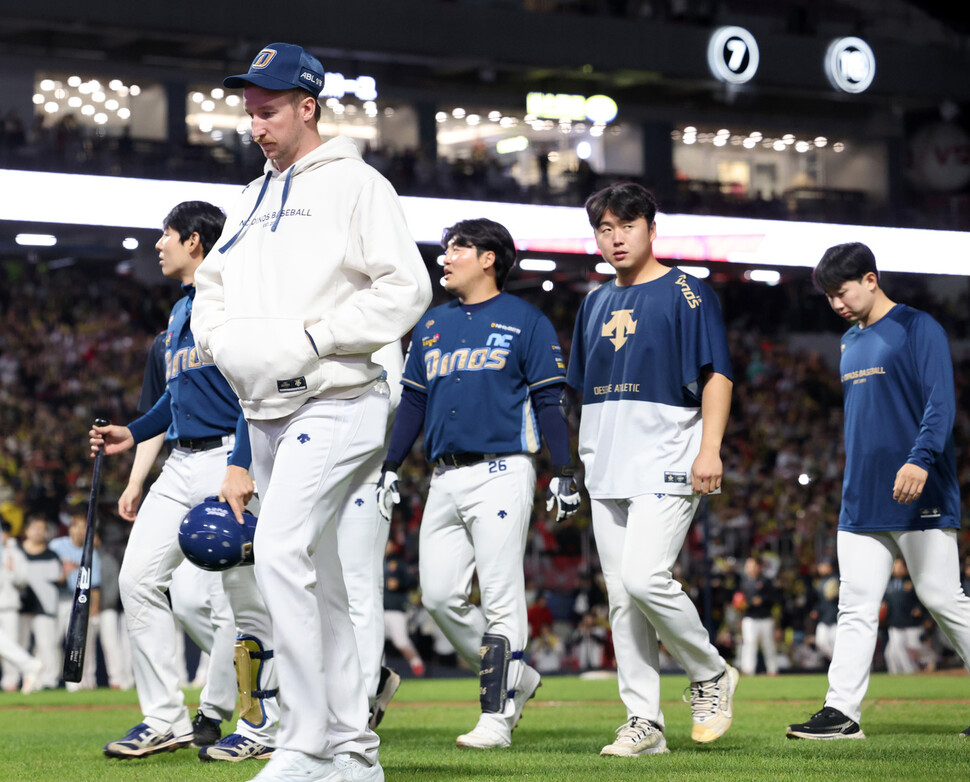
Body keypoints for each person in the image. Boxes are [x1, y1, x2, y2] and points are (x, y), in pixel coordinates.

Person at [191, 41, 433, 782]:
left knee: (281, 553)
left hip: (339, 398)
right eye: (249, 113)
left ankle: (300, 742)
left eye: (267, 112)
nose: (255, 126)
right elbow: (211, 286)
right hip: (264, 408)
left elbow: (406, 289)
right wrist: (227, 345)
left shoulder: (357, 185)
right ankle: (354, 753)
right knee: (321, 581)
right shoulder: (251, 195)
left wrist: (310, 339)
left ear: (307, 105)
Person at [376, 217, 579, 749]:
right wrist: (391, 465)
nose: (445, 257)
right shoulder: (432, 323)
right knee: (440, 598)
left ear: (489, 258)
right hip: (444, 476)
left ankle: (497, 716)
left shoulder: (525, 320)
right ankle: (518, 678)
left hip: (502, 469)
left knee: (501, 593)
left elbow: (549, 398)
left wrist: (564, 469)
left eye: (456, 248)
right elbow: (415, 400)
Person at [565, 182, 738, 757]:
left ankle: (710, 672)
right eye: (604, 229)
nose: (615, 238)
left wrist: (709, 448)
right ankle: (645, 722)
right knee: (621, 599)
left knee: (644, 579)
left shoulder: (688, 291)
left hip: (667, 458)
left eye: (626, 226)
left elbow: (716, 373)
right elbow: (582, 391)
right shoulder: (592, 301)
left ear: (651, 228)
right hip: (605, 463)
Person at [785, 241, 970, 740]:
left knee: (942, 599)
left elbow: (940, 403)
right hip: (861, 496)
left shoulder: (918, 327)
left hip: (919, 487)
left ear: (871, 279)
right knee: (855, 605)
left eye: (841, 292)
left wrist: (920, 459)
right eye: (827, 297)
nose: (836, 303)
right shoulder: (849, 341)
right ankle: (841, 714)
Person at [89, 201, 251, 758]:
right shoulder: (181, 310)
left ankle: (240, 712)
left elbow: (255, 393)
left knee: (236, 599)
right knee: (136, 580)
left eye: (167, 235)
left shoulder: (236, 300)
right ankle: (165, 718)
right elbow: (173, 395)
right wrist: (131, 434)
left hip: (229, 458)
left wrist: (244, 463)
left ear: (196, 243)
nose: (159, 244)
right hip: (181, 463)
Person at [49, 509, 102, 690]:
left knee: (80, 643)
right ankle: (49, 678)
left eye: (84, 528)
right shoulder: (56, 545)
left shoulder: (91, 551)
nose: (80, 531)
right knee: (51, 641)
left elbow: (94, 586)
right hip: (57, 600)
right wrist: (62, 572)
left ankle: (81, 683)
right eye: (77, 527)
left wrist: (94, 610)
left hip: (80, 602)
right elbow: (47, 574)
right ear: (70, 528)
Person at [18, 515, 63, 689]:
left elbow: (60, 580)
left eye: (42, 528)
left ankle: (48, 682)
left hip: (45, 608)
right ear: (26, 530)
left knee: (47, 645)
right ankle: (18, 682)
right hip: (20, 608)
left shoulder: (52, 555)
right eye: (35, 527)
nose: (38, 532)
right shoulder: (16, 553)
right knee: (20, 645)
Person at [0, 520, 43, 693]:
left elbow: (23, 579)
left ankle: (14, 680)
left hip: (9, 606)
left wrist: (10, 572)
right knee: (5, 644)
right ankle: (28, 666)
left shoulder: (15, 553)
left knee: (9, 642)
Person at [736, 555, 779, 676]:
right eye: (748, 565)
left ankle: (773, 670)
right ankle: (748, 670)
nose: (750, 568)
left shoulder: (766, 581)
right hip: (749, 618)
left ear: (759, 567)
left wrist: (763, 600)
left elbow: (775, 599)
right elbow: (739, 600)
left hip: (765, 617)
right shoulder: (743, 581)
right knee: (749, 644)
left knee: (768, 645)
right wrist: (743, 604)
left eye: (752, 565)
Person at [809, 558, 839, 662]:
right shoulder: (820, 582)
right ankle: (837, 662)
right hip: (823, 618)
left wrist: (837, 592)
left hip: (836, 618)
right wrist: (816, 610)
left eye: (824, 565)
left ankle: (840, 663)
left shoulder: (837, 579)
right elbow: (820, 601)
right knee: (821, 642)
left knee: (837, 645)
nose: (821, 568)